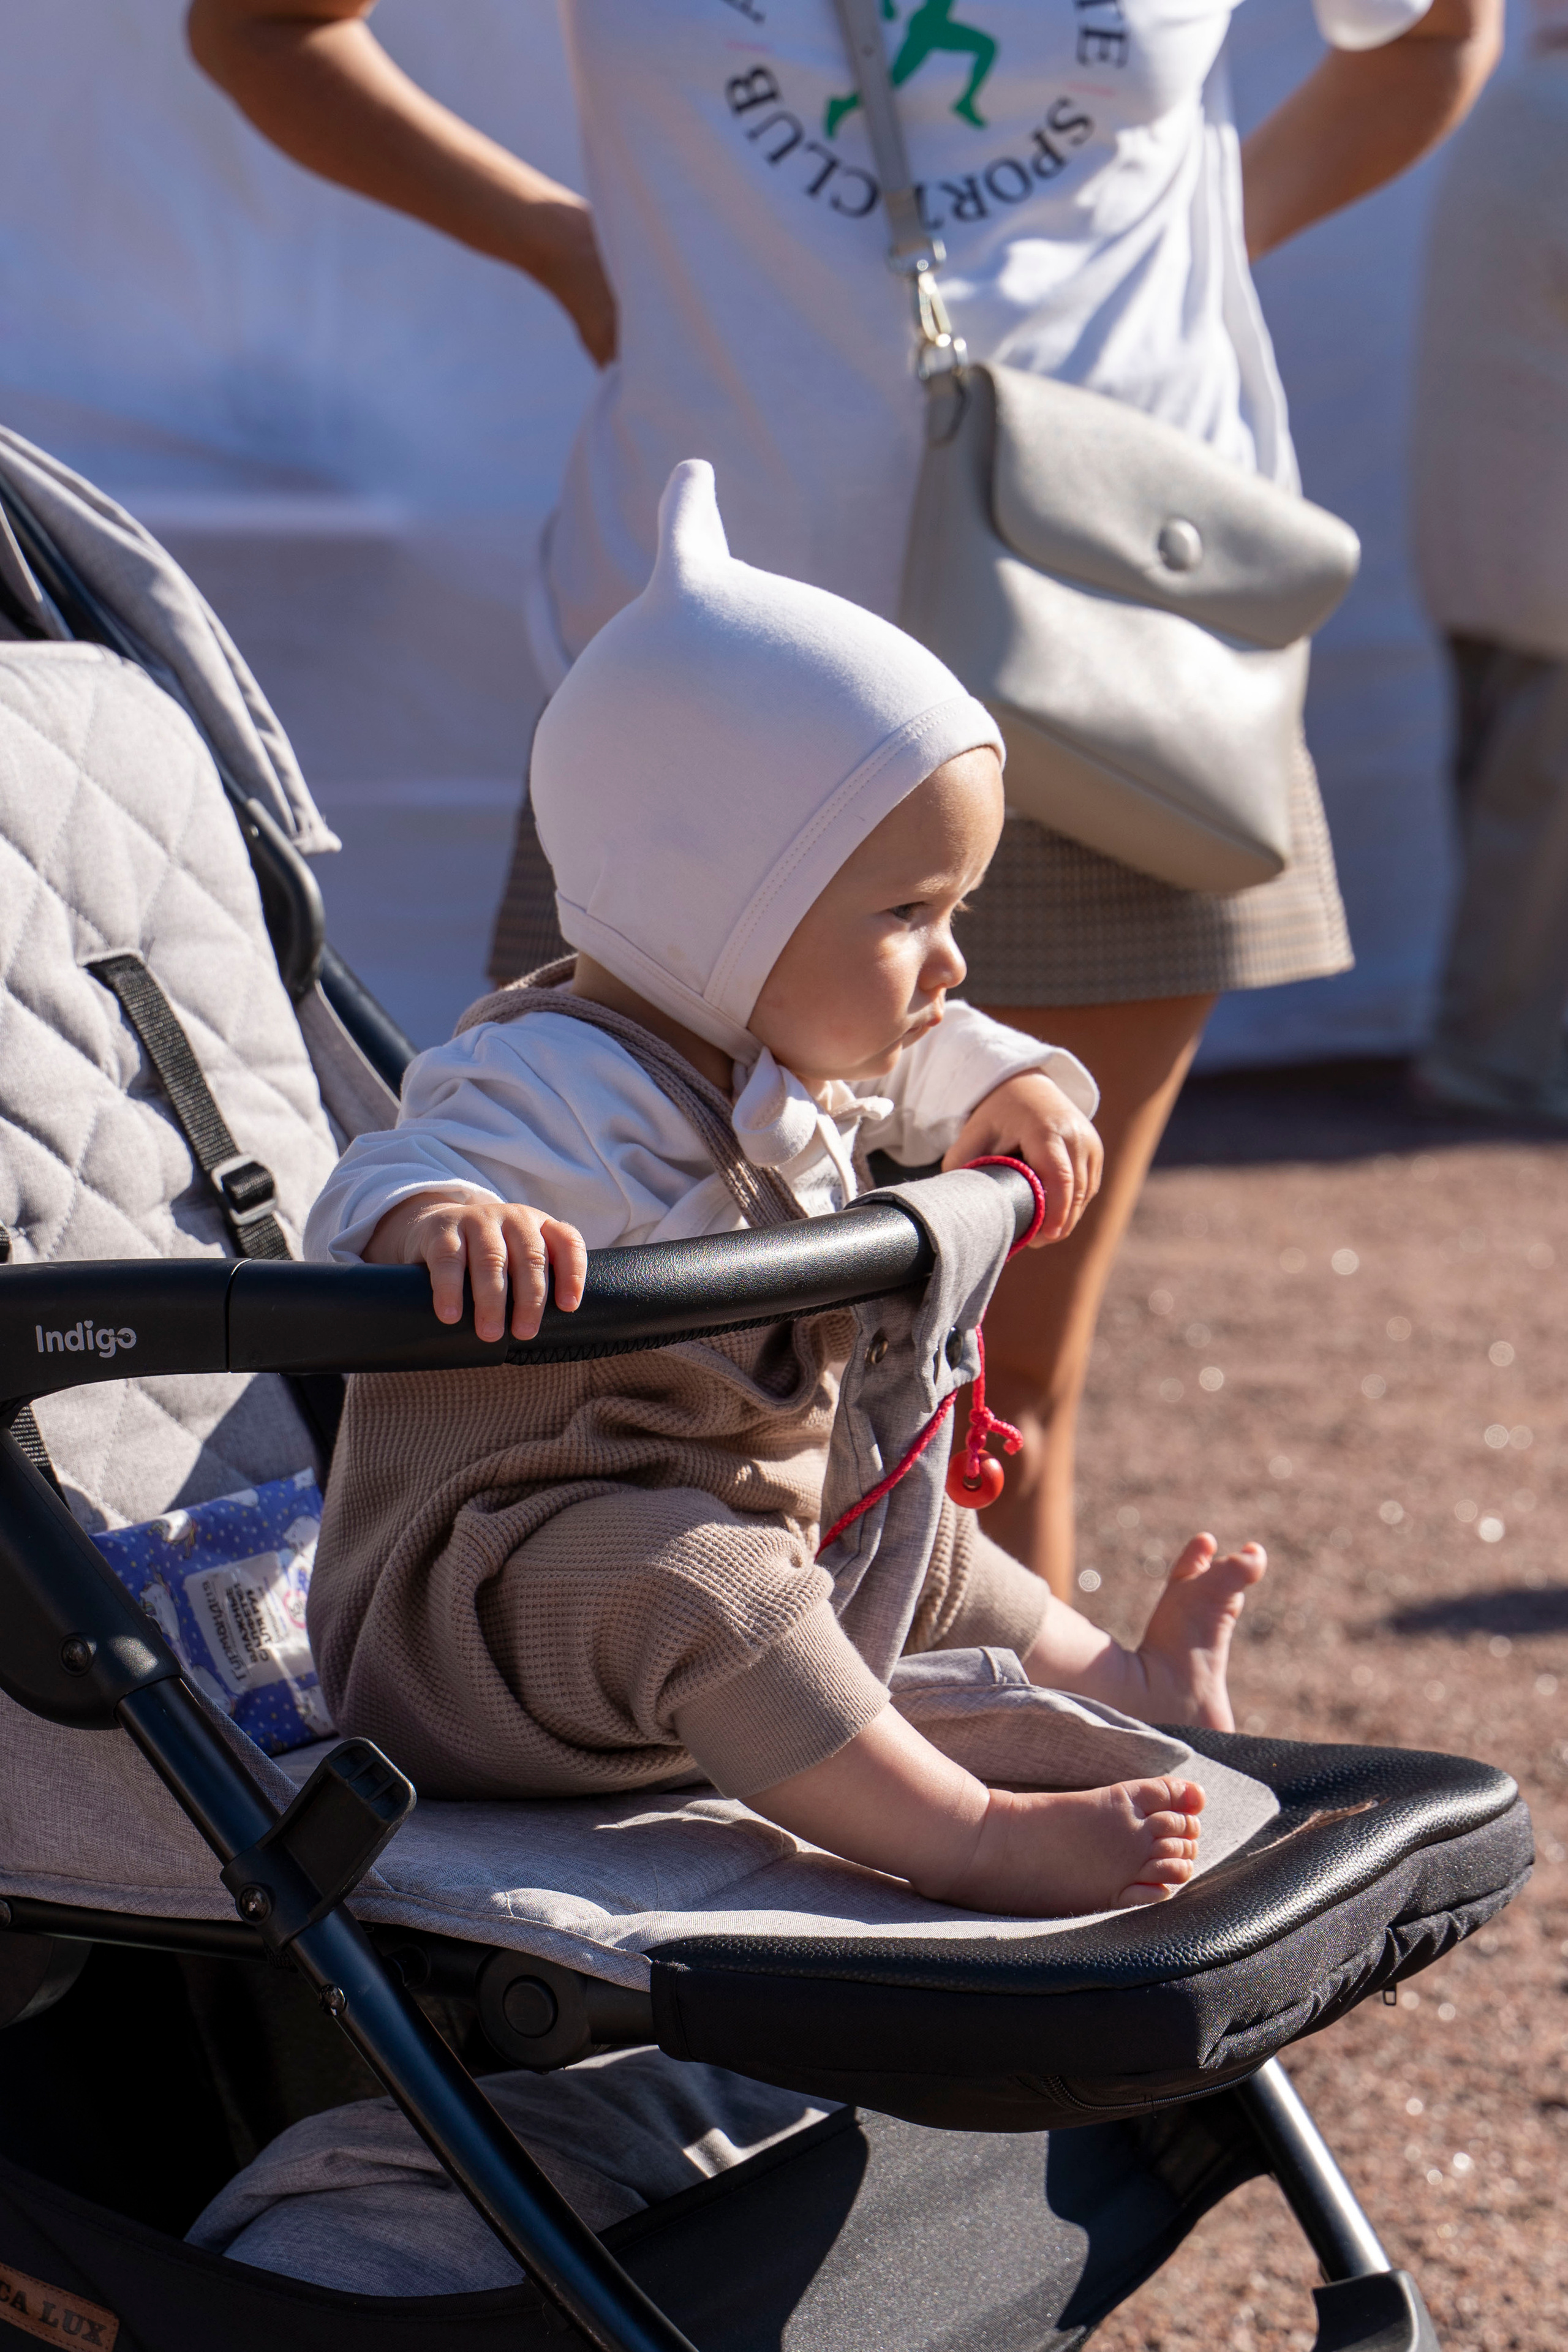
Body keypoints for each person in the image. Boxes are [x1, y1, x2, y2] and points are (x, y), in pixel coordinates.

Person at [189, 0, 1500, 1597]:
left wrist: (1206, 245)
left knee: (1001, 1390)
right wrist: (561, 245)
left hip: (1122, 672)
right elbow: (262, 27)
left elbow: (1436, 32)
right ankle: (691, 1814)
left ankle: (1015, 1819)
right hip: (699, 718)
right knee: (631, 1381)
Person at [302, 463, 1266, 1918]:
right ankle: (969, 1838)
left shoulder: (796, 1042)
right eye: (907, 915)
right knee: (714, 1588)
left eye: (955, 915)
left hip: (721, 1523)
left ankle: (1130, 1684)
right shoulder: (555, 1084)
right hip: (492, 1616)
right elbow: (381, 1173)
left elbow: (940, 1050)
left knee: (910, 1532)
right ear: (714, 902)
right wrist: (442, 1223)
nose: (945, 964)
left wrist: (1014, 1093)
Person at [1408, 0, 1568, 1126]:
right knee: (1535, 830)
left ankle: (1497, 1050)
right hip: (1544, 551)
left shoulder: (1520, 100)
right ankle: (1493, 1063)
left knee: (1513, 813)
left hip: (1494, 539)